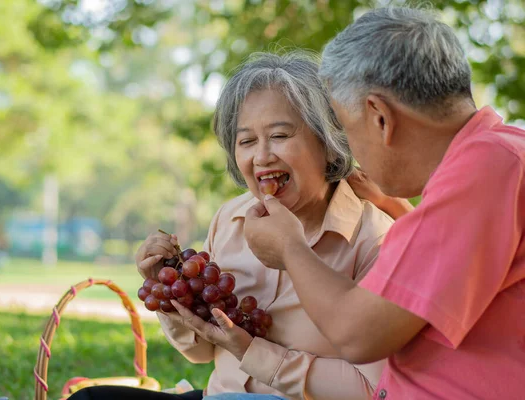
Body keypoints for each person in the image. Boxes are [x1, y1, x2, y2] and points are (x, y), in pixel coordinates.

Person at [69, 51, 407, 400]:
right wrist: (169, 292)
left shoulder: (373, 239)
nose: (261, 157)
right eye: (246, 141)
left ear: (328, 142)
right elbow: (201, 354)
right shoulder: (230, 219)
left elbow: (371, 389)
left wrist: (252, 352)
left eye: (279, 135)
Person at [235, 6, 525, 400]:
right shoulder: (500, 156)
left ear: (379, 117)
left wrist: (290, 247)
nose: (351, 152)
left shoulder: (484, 171)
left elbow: (357, 335)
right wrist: (399, 209)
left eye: (346, 129)